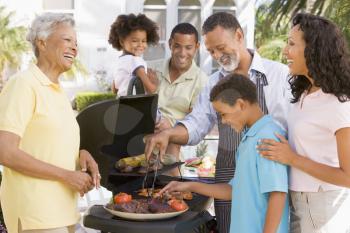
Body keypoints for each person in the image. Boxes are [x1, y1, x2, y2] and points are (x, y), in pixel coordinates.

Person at [144, 12, 290, 233]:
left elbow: (291, 131)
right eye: (211, 51)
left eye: (221, 48)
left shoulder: (279, 75)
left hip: (271, 172)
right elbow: (198, 122)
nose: (217, 56)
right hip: (230, 175)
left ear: (239, 36)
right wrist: (169, 134)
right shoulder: (213, 82)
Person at [0, 13, 100, 233]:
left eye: (76, 43)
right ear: (42, 42)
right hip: (35, 213)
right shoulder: (23, 85)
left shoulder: (56, 91)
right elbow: (5, 152)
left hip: (63, 210)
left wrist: (80, 155)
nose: (74, 48)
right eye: (67, 40)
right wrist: (67, 176)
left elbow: (49, 145)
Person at [159, 74, 289, 233]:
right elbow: (233, 190)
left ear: (240, 104)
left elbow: (278, 195)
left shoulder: (267, 138)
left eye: (223, 114)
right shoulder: (248, 138)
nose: (223, 121)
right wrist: (188, 185)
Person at [257, 13, 350, 233]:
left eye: (291, 44)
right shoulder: (303, 93)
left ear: (314, 50)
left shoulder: (339, 104)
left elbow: (348, 177)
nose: (284, 51)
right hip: (298, 202)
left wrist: (292, 158)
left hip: (322, 208)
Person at [150, 23, 208, 165]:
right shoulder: (152, 70)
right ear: (170, 44)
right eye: (177, 46)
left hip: (173, 153)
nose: (182, 53)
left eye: (188, 48)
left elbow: (195, 123)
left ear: (197, 47)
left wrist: (170, 128)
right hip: (141, 147)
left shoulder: (202, 81)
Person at [108, 13, 159, 96]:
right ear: (121, 41)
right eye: (135, 41)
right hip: (136, 105)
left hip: (122, 104)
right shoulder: (135, 61)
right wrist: (155, 81)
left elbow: (114, 89)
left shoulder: (119, 62)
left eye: (143, 41)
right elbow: (151, 89)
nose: (140, 45)